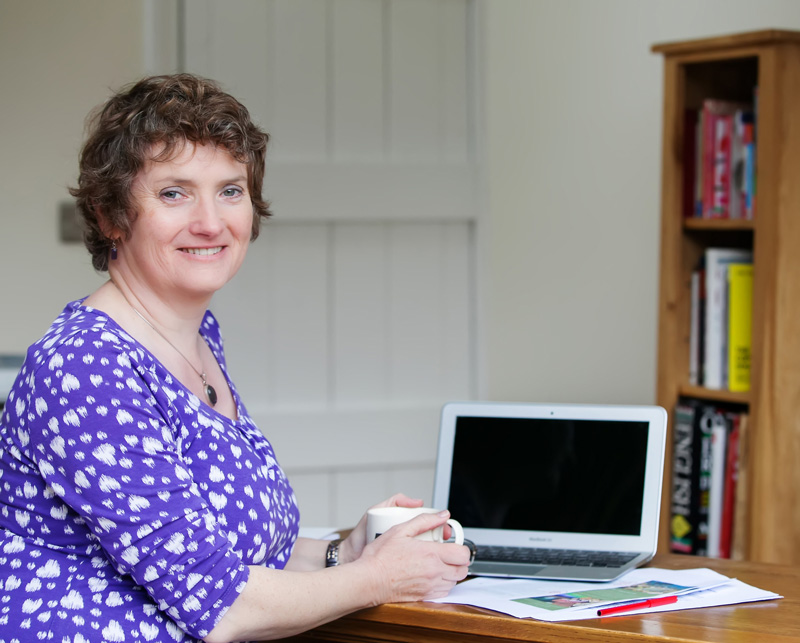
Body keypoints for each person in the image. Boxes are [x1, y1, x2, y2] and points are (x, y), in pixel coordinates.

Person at [0, 73, 470, 642]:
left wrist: (343, 552)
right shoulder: (84, 366)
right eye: (174, 193)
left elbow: (218, 549)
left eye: (230, 190)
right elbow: (220, 604)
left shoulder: (196, 340)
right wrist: (376, 579)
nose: (210, 222)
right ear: (109, 215)